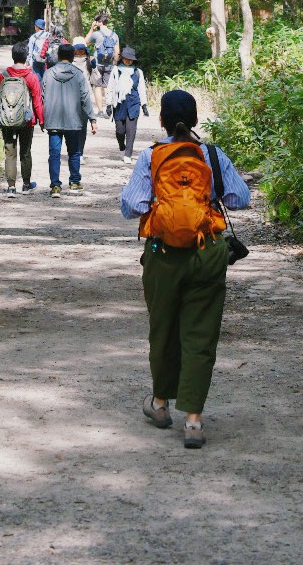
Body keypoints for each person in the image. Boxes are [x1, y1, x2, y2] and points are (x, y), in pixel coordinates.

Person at [121, 89, 250, 449]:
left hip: (162, 255)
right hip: (207, 252)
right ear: (195, 121)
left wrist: (163, 204)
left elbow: (131, 206)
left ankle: (161, 405)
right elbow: (240, 198)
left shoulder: (150, 156)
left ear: (161, 121)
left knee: (163, 330)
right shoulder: (211, 154)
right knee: (200, 335)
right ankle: (193, 421)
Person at [41, 42, 97, 200]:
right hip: (73, 120)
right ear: (73, 57)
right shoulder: (79, 74)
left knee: (54, 154)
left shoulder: (49, 73)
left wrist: (42, 117)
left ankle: (55, 186)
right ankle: (74, 182)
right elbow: (85, 98)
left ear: (58, 56)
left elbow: (42, 96)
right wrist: (92, 118)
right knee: (74, 152)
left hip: (53, 120)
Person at [0, 44, 44, 194]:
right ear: (26, 57)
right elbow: (37, 101)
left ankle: (11, 187)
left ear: (13, 56)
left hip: (7, 120)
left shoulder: (3, 76)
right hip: (27, 121)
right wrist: (41, 120)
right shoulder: (31, 76)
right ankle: (26, 185)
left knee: (10, 152)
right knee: (25, 151)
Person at [106, 46, 148, 161]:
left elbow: (141, 89)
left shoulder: (138, 72)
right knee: (120, 130)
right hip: (119, 104)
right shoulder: (116, 71)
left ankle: (128, 154)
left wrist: (144, 105)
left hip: (133, 103)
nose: (128, 61)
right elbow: (110, 87)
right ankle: (121, 145)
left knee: (131, 130)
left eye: (130, 59)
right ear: (122, 58)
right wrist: (108, 104)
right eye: (126, 58)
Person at [86, 11, 119, 108]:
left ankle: (100, 110)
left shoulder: (96, 34)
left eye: (96, 21)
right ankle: (108, 107)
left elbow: (86, 42)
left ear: (99, 22)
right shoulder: (114, 35)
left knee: (97, 87)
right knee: (108, 86)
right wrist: (115, 64)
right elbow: (117, 52)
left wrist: (92, 28)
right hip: (110, 64)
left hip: (97, 63)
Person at [27, 17, 51, 82]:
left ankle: (39, 90)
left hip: (36, 60)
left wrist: (28, 61)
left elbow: (30, 50)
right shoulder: (49, 35)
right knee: (46, 78)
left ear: (37, 27)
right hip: (46, 60)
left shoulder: (33, 37)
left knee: (37, 79)